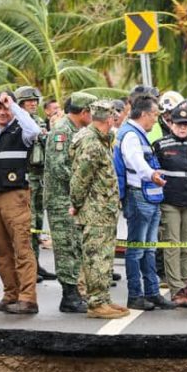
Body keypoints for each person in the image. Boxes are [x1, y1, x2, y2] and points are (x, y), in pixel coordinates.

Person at [0, 89, 40, 315]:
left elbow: (34, 130)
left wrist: (13, 105)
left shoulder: (21, 130)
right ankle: (11, 294)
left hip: (16, 196)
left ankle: (28, 298)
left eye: (5, 107)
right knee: (1, 250)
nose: (2, 111)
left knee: (22, 248)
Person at [69, 99, 129, 321]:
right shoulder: (92, 142)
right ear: (110, 118)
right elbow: (80, 179)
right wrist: (75, 204)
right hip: (95, 210)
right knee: (96, 257)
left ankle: (103, 298)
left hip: (104, 209)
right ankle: (96, 303)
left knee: (104, 257)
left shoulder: (102, 139)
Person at [116, 93, 175, 312]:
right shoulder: (131, 135)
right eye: (155, 115)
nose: (155, 120)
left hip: (148, 195)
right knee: (137, 249)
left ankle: (152, 292)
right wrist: (152, 175)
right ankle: (135, 295)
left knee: (149, 249)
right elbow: (135, 162)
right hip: (139, 195)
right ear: (145, 114)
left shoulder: (138, 134)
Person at [43, 91, 96, 313]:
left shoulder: (77, 130)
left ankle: (76, 293)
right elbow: (59, 167)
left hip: (72, 198)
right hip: (61, 199)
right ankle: (69, 296)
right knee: (66, 248)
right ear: (83, 112)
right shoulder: (62, 131)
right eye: (92, 111)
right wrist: (82, 182)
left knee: (75, 246)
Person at [154, 101, 187, 307]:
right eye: (178, 123)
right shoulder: (160, 145)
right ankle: (177, 290)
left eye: (186, 123)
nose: (183, 127)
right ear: (171, 123)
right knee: (172, 246)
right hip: (170, 203)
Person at [15, 85, 56, 282]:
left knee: (38, 222)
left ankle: (36, 263)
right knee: (27, 224)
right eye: (28, 101)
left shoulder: (39, 121)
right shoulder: (18, 122)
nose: (32, 103)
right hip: (26, 176)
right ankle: (27, 266)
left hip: (39, 176)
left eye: (34, 100)